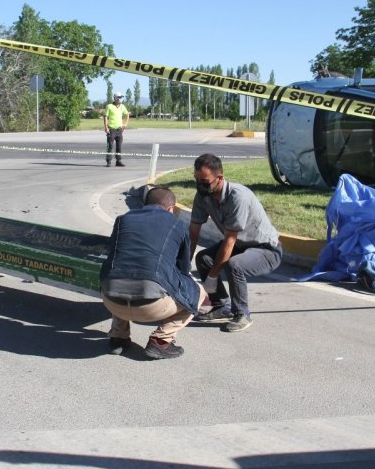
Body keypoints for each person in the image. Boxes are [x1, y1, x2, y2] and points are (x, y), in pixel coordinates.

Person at [100, 187, 204, 359]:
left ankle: (118, 337)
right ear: (171, 209)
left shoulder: (122, 220)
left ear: (144, 204)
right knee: (198, 293)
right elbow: (183, 268)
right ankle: (161, 340)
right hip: (150, 306)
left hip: (111, 300)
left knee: (121, 273)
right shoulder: (177, 224)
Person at [190, 153, 282, 333]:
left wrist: (213, 276)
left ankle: (242, 314)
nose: (200, 185)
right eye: (196, 180)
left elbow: (230, 240)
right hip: (240, 245)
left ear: (219, 178)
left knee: (235, 265)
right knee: (203, 259)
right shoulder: (203, 196)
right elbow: (193, 232)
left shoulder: (238, 197)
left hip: (266, 249)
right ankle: (221, 306)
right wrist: (185, 264)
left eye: (205, 181)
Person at [103, 92, 130, 167]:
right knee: (110, 146)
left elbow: (127, 115)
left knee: (119, 146)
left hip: (119, 129)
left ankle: (118, 161)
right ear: (115, 98)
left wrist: (125, 125)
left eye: (121, 97)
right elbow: (105, 117)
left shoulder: (122, 106)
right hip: (111, 129)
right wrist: (106, 127)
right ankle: (108, 161)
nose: (120, 99)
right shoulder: (109, 106)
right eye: (119, 97)